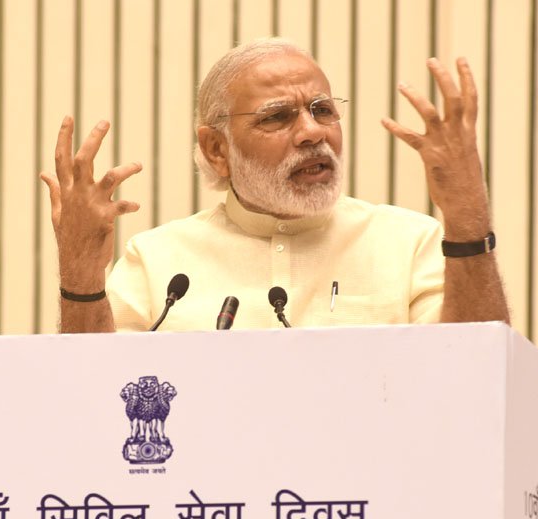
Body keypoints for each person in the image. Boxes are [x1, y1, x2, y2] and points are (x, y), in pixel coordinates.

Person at [40, 38, 509, 333]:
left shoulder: (409, 243)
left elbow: (476, 376)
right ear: (216, 149)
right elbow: (95, 401)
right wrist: (79, 271)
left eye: (323, 110)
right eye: (278, 116)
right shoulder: (159, 262)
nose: (312, 132)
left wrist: (468, 217)